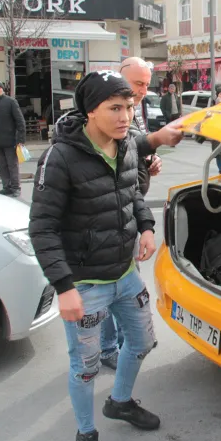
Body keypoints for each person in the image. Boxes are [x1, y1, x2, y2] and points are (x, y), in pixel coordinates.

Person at [29, 70, 182, 441]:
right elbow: (43, 228)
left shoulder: (126, 144)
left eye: (129, 107)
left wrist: (146, 227)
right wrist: (64, 287)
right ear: (90, 111)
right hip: (84, 284)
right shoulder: (60, 158)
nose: (125, 116)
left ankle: (120, 402)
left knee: (142, 342)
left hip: (126, 274)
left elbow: (131, 194)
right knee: (85, 367)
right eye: (115, 108)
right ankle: (86, 433)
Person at [99, 57, 163, 370]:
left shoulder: (135, 109)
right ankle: (111, 347)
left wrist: (151, 163)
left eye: (146, 84)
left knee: (124, 282)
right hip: (109, 215)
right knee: (114, 286)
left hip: (130, 206)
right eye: (138, 83)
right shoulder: (107, 114)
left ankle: (126, 341)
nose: (142, 90)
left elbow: (134, 153)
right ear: (121, 77)